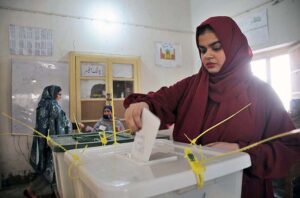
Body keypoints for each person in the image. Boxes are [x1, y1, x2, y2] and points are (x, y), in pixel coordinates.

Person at [124, 16, 300, 198]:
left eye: (216, 47)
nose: (207, 55)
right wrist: (143, 104)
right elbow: (159, 100)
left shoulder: (262, 93)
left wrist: (241, 151)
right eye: (202, 50)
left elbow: (290, 147)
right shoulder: (191, 86)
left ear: (234, 47)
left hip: (243, 189)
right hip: (191, 188)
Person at [25, 85, 84, 198]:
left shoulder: (42, 105)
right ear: (53, 94)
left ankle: (53, 190)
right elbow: (62, 124)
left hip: (43, 141)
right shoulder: (53, 105)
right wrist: (76, 125)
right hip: (52, 141)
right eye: (59, 94)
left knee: (50, 168)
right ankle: (31, 190)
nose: (60, 97)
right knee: (50, 170)